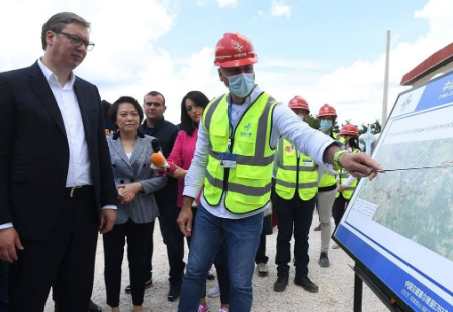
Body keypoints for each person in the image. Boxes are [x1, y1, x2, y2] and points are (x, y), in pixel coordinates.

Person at [176, 32, 381, 312]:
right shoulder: (212, 110)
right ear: (221, 73)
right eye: (234, 70)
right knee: (194, 273)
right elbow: (200, 159)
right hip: (210, 209)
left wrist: (340, 155)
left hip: (247, 215)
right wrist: (188, 203)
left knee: (239, 284)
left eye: (248, 68)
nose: (242, 75)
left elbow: (304, 135)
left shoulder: (272, 109)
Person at [0, 12, 117, 312]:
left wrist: (108, 202)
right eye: (75, 39)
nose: (81, 48)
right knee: (26, 299)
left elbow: (99, 149)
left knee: (76, 299)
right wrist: (3, 223)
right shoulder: (11, 84)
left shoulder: (89, 91)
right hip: (32, 215)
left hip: (83, 212)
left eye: (86, 44)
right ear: (50, 37)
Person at [161, 91, 230, 312]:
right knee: (196, 259)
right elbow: (170, 163)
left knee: (222, 257)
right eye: (189, 108)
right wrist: (189, 173)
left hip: (219, 202)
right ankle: (201, 304)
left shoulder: (222, 130)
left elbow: (230, 163)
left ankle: (226, 304)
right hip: (192, 204)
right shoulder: (183, 135)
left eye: (197, 105)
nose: (194, 111)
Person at [104, 96, 167, 312]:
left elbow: (162, 177)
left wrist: (137, 186)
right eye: (124, 114)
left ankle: (138, 305)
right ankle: (114, 306)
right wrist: (115, 192)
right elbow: (98, 176)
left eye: (133, 114)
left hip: (143, 210)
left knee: (139, 263)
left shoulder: (151, 143)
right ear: (114, 119)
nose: (129, 118)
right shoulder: (104, 144)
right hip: (114, 210)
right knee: (112, 262)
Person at [133, 91, 184, 301]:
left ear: (164, 108)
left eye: (156, 104)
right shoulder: (137, 130)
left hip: (167, 195)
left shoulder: (173, 131)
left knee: (172, 240)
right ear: (143, 106)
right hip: (143, 195)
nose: (152, 107)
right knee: (143, 241)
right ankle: (144, 277)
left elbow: (175, 162)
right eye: (148, 104)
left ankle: (177, 280)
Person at [273, 96, 319, 293]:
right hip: (284, 195)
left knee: (302, 237)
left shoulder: (314, 140)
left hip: (307, 196)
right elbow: (274, 168)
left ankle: (302, 275)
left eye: (301, 112)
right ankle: (282, 274)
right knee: (283, 236)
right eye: (294, 113)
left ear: (307, 116)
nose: (297, 116)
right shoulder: (281, 140)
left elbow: (322, 168)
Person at [315, 103, 341, 267]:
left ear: (333, 121)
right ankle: (300, 252)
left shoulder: (337, 143)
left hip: (328, 188)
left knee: (325, 221)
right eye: (323, 118)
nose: (325, 121)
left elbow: (340, 166)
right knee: (302, 223)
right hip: (309, 186)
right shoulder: (311, 137)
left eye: (329, 119)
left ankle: (324, 253)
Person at [332, 124, 361, 249]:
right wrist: (338, 182)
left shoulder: (357, 152)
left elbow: (355, 173)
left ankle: (351, 241)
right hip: (339, 191)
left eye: (343, 135)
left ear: (349, 137)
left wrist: (344, 185)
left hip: (350, 190)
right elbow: (339, 169)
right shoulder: (341, 151)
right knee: (336, 214)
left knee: (352, 217)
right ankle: (340, 239)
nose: (342, 138)